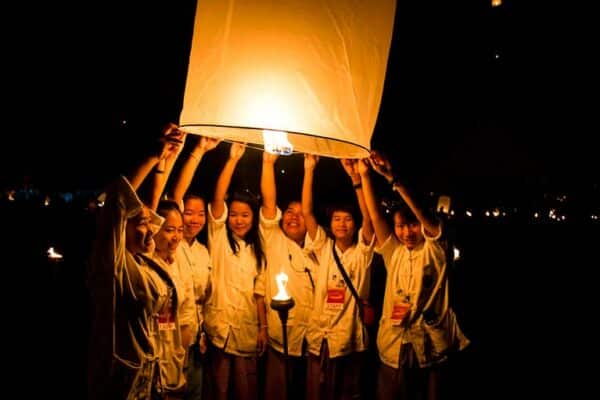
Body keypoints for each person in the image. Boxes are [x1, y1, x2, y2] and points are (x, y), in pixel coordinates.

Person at [358, 150, 470, 400]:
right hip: (393, 343)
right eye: (400, 226)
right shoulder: (393, 252)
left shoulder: (435, 250)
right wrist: (363, 176)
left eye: (412, 225)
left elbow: (425, 218)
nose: (406, 232)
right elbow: (375, 215)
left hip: (430, 346)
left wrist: (393, 179)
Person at [86, 123, 185, 399]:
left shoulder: (143, 260)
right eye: (142, 223)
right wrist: (154, 156)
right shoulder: (113, 264)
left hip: (147, 380)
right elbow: (119, 197)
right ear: (121, 230)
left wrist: (170, 156)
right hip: (117, 381)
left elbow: (150, 203)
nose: (152, 227)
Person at [303, 155, 376, 400]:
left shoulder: (362, 252)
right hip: (320, 335)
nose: (341, 224)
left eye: (347, 219)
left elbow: (369, 218)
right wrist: (309, 170)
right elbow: (307, 213)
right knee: (316, 391)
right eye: (336, 218)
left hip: (349, 337)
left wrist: (355, 178)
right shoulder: (324, 247)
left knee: (347, 392)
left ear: (354, 224)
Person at [203, 142, 268, 400]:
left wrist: (263, 328)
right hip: (218, 327)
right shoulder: (218, 237)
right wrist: (232, 159)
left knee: (246, 391)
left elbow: (259, 292)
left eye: (245, 215)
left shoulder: (258, 250)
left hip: (246, 329)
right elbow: (218, 199)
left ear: (253, 218)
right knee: (218, 390)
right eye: (234, 215)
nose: (238, 220)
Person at [259, 151, 325, 400]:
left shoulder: (319, 246)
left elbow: (307, 212)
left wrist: (309, 170)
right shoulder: (273, 239)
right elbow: (268, 201)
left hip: (314, 340)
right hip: (280, 337)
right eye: (288, 211)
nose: (293, 217)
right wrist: (268, 162)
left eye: (299, 213)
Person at [170, 135, 221, 400]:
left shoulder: (203, 252)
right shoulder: (171, 245)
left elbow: (204, 298)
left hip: (196, 342)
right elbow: (176, 194)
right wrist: (199, 149)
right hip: (170, 340)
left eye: (201, 213)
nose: (195, 219)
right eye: (188, 212)